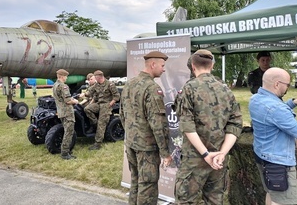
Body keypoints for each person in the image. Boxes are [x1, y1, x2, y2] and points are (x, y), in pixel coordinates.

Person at [174, 49, 243, 204]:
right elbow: (235, 124)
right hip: (218, 159)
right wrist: (222, 153)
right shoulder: (226, 89)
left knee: (186, 201)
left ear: (192, 66)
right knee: (214, 200)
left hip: (194, 160)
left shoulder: (189, 88)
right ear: (212, 66)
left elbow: (187, 126)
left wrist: (205, 154)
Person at [249, 67, 297, 205]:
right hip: (278, 163)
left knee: (271, 193)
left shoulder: (256, 99)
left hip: (262, 156)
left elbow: (273, 115)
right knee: (283, 201)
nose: (288, 88)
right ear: (277, 84)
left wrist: (293, 102)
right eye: (287, 85)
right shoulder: (277, 109)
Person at [120, 50, 172, 205]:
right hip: (147, 147)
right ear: (153, 64)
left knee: (135, 181)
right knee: (148, 186)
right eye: (162, 65)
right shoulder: (152, 88)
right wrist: (165, 153)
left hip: (131, 143)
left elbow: (122, 115)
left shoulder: (129, 84)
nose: (163, 69)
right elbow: (158, 125)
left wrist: (131, 134)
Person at [83, 70, 120, 150]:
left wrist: (111, 103)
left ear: (99, 77)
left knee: (102, 122)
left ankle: (97, 143)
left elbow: (116, 96)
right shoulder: (97, 85)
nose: (94, 79)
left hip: (106, 105)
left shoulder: (110, 84)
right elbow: (90, 91)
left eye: (95, 77)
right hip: (99, 103)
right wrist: (84, 94)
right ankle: (95, 124)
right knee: (87, 109)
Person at [52, 69, 79, 160]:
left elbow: (61, 98)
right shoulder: (63, 86)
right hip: (67, 112)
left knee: (66, 131)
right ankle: (65, 153)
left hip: (61, 112)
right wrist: (75, 101)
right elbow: (68, 101)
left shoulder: (55, 85)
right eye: (66, 76)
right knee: (69, 132)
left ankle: (65, 150)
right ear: (62, 76)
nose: (67, 78)